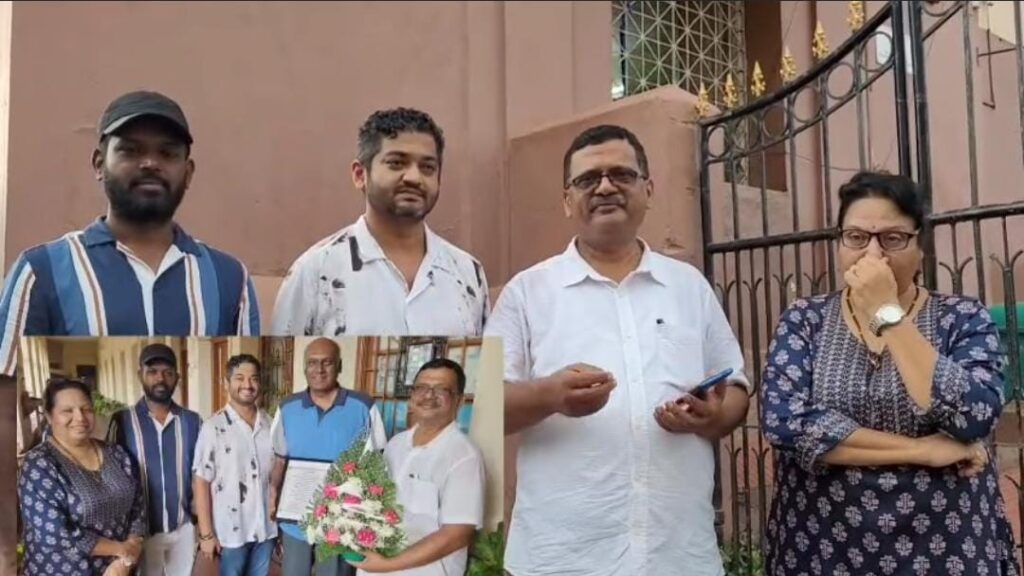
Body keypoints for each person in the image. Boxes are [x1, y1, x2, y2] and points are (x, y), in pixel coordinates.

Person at [487, 124, 750, 575]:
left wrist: (713, 416)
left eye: (621, 175)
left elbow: (736, 389)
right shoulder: (527, 292)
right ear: (567, 200)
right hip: (562, 559)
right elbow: (484, 408)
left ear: (647, 189)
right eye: (588, 179)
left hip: (677, 554)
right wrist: (551, 396)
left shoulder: (689, 287)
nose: (605, 186)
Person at [761, 171, 1018, 575]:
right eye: (857, 237)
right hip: (822, 544)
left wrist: (889, 314)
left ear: (920, 247)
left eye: (893, 238)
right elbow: (786, 424)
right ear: (839, 242)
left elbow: (974, 416)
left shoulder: (962, 318)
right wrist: (925, 451)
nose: (873, 255)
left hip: (945, 547)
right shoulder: (805, 320)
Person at [0, 89, 260, 374]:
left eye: (167, 152)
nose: (150, 163)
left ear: (188, 173)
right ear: (99, 164)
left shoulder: (230, 279)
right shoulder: (41, 271)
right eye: (130, 150)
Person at [270, 108, 488, 337]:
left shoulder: (467, 274)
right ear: (360, 175)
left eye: (427, 167)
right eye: (396, 163)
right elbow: (281, 369)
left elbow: (485, 371)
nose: (413, 177)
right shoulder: (316, 271)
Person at [352, 358, 485, 576]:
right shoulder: (396, 443)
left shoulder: (464, 456)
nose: (429, 395)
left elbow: (457, 533)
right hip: (375, 566)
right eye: (421, 388)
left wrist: (387, 565)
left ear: (459, 401)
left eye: (441, 389)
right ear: (412, 396)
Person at [269, 337, 387, 576]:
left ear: (339, 366)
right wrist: (273, 496)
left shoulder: (363, 406)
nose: (319, 370)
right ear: (305, 368)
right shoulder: (287, 407)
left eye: (327, 362)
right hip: (296, 518)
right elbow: (280, 459)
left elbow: (375, 464)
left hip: (341, 521)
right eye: (312, 363)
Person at [19, 377, 146, 575]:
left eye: (86, 409)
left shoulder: (117, 454)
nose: (80, 417)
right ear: (50, 416)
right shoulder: (39, 464)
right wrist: (122, 551)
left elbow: (138, 506)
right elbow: (54, 532)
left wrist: (127, 557)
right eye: (67, 411)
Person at [107, 343, 202, 575]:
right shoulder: (122, 421)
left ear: (177, 378)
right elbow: (111, 477)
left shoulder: (192, 422)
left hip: (183, 528)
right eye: (153, 371)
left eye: (168, 373)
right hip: (141, 534)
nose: (161, 378)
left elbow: (200, 472)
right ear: (140, 375)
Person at [193, 354, 276, 576]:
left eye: (254, 378)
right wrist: (206, 534)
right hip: (230, 532)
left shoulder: (271, 424)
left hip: (266, 530)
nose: (248, 385)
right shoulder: (213, 427)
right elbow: (201, 481)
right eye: (240, 378)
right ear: (226, 383)